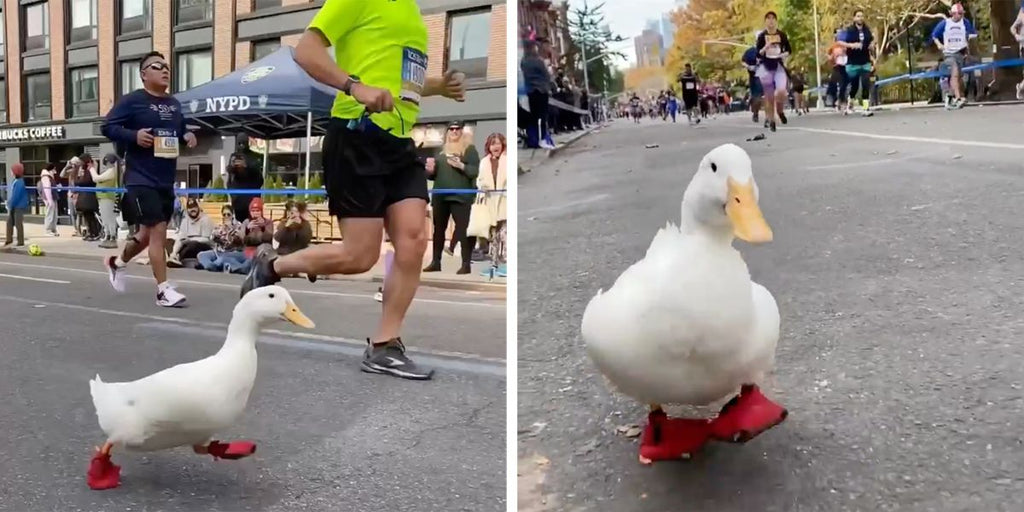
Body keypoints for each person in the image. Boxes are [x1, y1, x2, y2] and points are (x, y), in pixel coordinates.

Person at [241, 0, 466, 380]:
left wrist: (438, 86)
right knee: (360, 257)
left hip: (398, 142)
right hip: (356, 136)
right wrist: (353, 86)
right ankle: (272, 265)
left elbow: (398, 84)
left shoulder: (412, 13)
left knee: (413, 239)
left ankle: (385, 345)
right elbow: (306, 51)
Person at [100, 50, 198, 307]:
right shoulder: (132, 101)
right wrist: (134, 136)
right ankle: (163, 291)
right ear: (144, 74)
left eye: (167, 67)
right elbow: (107, 126)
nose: (165, 70)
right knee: (158, 231)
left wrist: (187, 135)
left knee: (144, 235)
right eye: (158, 66)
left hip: (165, 178)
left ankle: (117, 263)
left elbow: (180, 129)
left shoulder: (174, 104)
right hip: (140, 177)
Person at [424, 120, 479, 275]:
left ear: (462, 131)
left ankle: (466, 264)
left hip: (461, 196)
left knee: (463, 230)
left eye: (457, 129)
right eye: (451, 129)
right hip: (441, 195)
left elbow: (475, 171)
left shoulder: (469, 149)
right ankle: (436, 262)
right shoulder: (441, 151)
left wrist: (461, 166)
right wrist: (430, 171)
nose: (454, 132)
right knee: (438, 231)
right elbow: (434, 176)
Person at [931, 3, 977, 110]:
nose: (960, 16)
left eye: (962, 13)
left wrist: (968, 43)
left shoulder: (965, 23)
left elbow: (971, 35)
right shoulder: (945, 23)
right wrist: (939, 44)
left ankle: (949, 97)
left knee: (958, 76)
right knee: (955, 74)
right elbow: (934, 35)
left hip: (961, 53)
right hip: (949, 53)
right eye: (959, 13)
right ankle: (958, 97)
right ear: (952, 13)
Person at [755, 11, 793, 132]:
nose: (771, 21)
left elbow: (789, 50)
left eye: (773, 19)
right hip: (766, 68)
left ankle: (780, 111)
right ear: (765, 22)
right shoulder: (762, 36)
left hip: (778, 66)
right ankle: (772, 120)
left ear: (776, 21)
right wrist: (765, 48)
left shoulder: (782, 35)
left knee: (781, 91)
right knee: (769, 96)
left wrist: (783, 55)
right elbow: (758, 54)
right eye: (768, 19)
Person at [476, 133, 507, 277]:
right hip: (490, 203)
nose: (496, 146)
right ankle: (494, 265)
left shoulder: (507, 160)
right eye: (493, 143)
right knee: (493, 236)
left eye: (498, 143)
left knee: (504, 235)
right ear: (489, 146)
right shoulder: (484, 162)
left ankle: (506, 263)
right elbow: (480, 180)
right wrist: (483, 186)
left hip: (504, 202)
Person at [840, 10, 875, 114]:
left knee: (865, 84)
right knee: (854, 86)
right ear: (854, 18)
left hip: (865, 61)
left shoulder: (866, 30)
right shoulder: (850, 30)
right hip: (853, 63)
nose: (860, 18)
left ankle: (866, 108)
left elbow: (872, 40)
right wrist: (852, 45)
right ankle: (849, 104)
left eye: (862, 16)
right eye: (858, 16)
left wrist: (872, 44)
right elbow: (840, 42)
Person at [521, 40, 555, 150]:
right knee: (542, 116)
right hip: (541, 90)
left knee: (534, 117)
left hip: (530, 91)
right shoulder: (539, 61)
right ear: (532, 48)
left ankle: (535, 139)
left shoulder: (524, 62)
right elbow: (547, 76)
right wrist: (549, 88)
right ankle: (542, 139)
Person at [167, 197, 214, 267]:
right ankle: (173, 256)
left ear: (198, 207)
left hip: (203, 246)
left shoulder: (205, 219)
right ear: (187, 210)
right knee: (170, 242)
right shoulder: (185, 220)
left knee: (192, 245)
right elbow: (181, 237)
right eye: (190, 208)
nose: (193, 210)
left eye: (194, 207)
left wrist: (190, 240)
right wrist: (175, 251)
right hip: (187, 244)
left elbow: (207, 240)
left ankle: (178, 258)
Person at [197, 204, 245, 272]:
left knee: (223, 258)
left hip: (232, 252)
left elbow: (232, 244)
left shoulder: (238, 226)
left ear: (233, 215)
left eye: (228, 214)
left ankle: (210, 265)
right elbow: (212, 238)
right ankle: (211, 265)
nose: (226, 216)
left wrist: (229, 229)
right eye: (224, 214)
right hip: (218, 252)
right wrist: (217, 235)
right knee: (201, 255)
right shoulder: (219, 226)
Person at [90, 153, 121, 249]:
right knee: (105, 218)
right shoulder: (111, 171)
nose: (107, 164)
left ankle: (112, 237)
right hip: (103, 197)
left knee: (109, 218)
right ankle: (107, 236)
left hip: (108, 197)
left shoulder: (112, 171)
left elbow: (96, 178)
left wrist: (92, 169)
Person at [237, 197, 273, 274]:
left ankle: (235, 268)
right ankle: (235, 267)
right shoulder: (246, 222)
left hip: (260, 252)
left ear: (261, 211)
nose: (255, 213)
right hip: (246, 251)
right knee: (226, 258)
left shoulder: (268, 222)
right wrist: (247, 230)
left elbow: (269, 239)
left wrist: (263, 227)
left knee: (249, 262)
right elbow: (242, 240)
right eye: (253, 211)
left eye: (258, 211)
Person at [226, 152, 264, 223]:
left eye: (240, 160)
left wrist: (246, 165)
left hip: (253, 209)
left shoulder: (253, 174)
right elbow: (230, 187)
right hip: (238, 210)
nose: (237, 163)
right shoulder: (233, 175)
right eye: (235, 161)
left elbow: (260, 180)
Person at [75, 154, 102, 242]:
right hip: (84, 196)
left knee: (91, 216)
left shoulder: (91, 169)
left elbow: (87, 181)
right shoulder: (83, 170)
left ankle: (95, 232)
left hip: (89, 196)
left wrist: (79, 181)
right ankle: (90, 232)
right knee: (87, 215)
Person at [827, 30, 850, 113]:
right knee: (837, 83)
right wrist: (833, 57)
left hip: (846, 66)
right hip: (838, 67)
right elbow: (829, 56)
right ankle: (837, 100)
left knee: (845, 84)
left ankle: (842, 101)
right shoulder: (834, 46)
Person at [4, 162, 27, 247]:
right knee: (9, 222)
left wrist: (10, 203)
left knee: (18, 223)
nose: (11, 172)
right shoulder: (16, 181)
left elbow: (16, 195)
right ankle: (9, 239)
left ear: (16, 171)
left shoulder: (19, 182)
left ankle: (20, 241)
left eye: (12, 170)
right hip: (15, 205)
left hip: (18, 206)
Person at [741, 44, 764, 125]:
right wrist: (749, 66)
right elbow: (743, 61)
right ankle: (755, 113)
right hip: (755, 77)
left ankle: (769, 118)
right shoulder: (750, 51)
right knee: (757, 98)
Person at [39, 164, 59, 236]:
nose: (55, 171)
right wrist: (49, 200)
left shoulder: (50, 177)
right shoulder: (46, 177)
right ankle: (48, 230)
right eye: (54, 169)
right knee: (49, 214)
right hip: (49, 199)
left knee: (54, 214)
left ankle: (53, 229)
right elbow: (47, 189)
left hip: (53, 197)